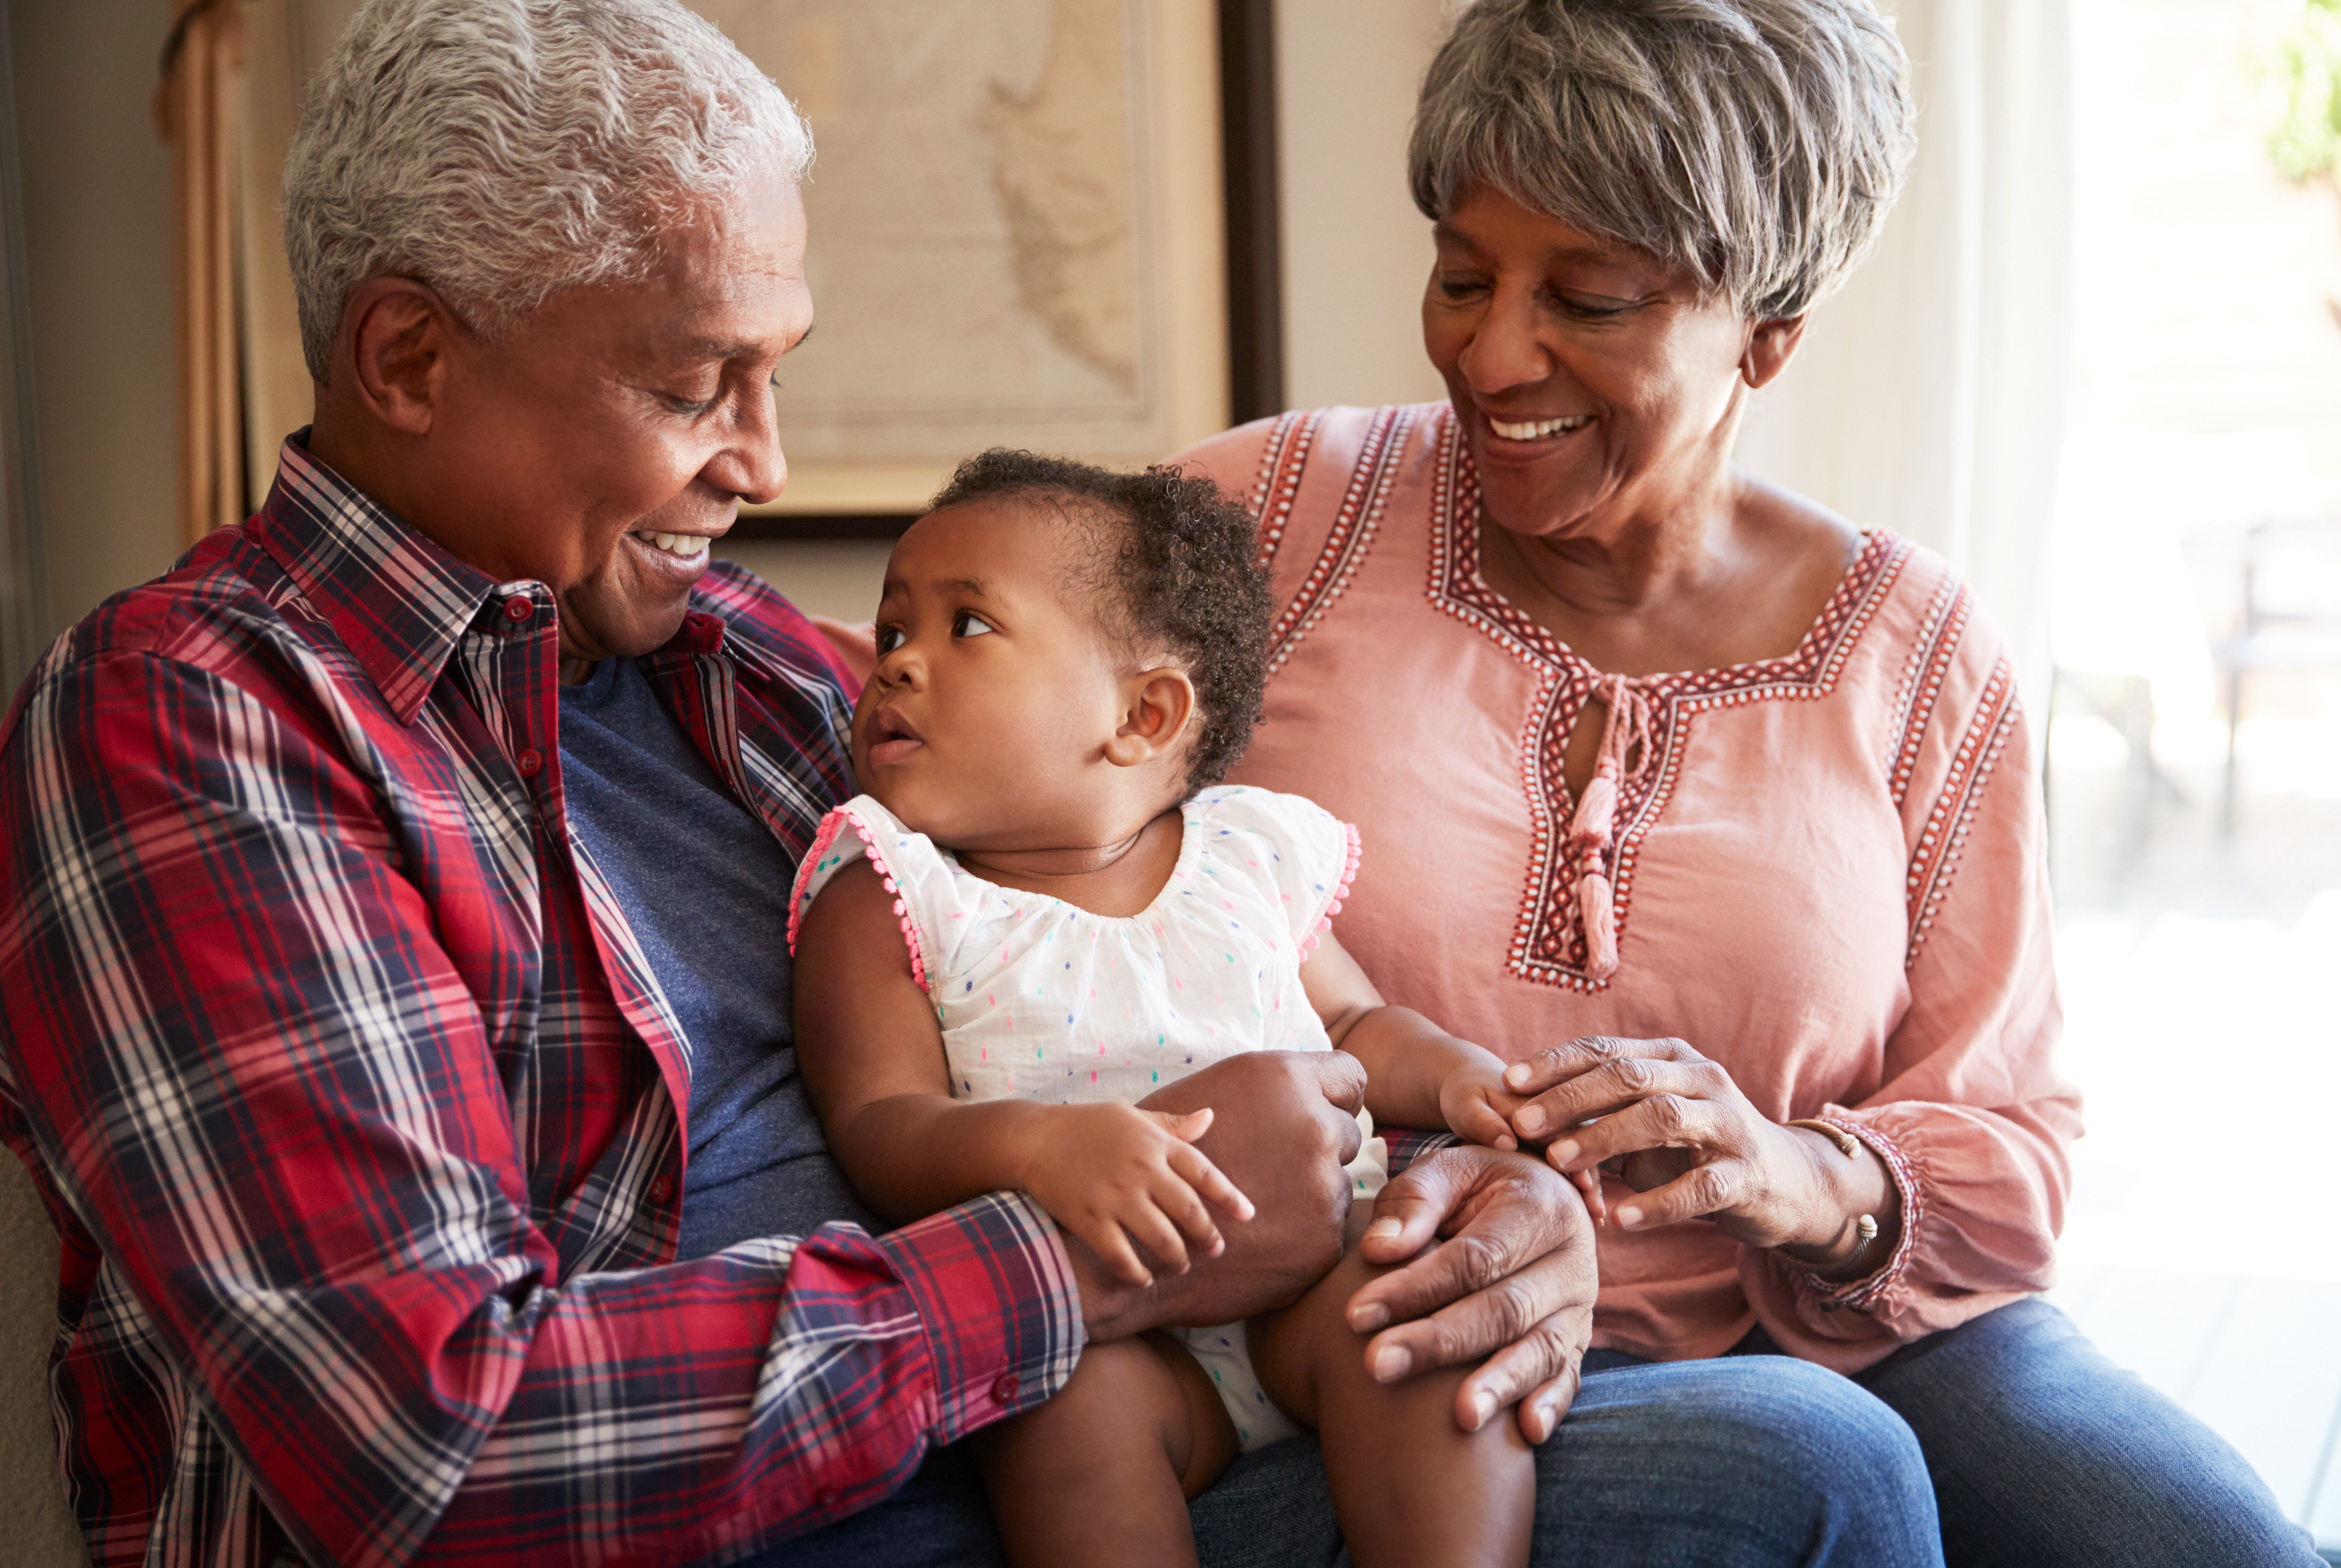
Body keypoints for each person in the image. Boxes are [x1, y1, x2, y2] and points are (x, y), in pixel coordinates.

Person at [0, 3, 1609, 1565]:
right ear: (409, 357)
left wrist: (1456, 1212)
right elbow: (436, 1446)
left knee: (1782, 1441)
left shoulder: (757, 665)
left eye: (774, 375)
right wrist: (1097, 1254)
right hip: (822, 1495)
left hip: (1071, 1441)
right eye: (699, 383)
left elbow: (1160, 967)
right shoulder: (199, 718)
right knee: (1775, 1484)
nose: (763, 463)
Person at [1165, 0, 2326, 1564]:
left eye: (1588, 297)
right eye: (1461, 275)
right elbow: (953, 719)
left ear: (1768, 327)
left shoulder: (1911, 651)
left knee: (2214, 1546)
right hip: (1382, 1343)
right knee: (1817, 1464)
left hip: (1855, 1321)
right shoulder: (1271, 521)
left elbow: (2006, 1136)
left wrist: (1798, 1172)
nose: (1491, 351)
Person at [791, 451, 1605, 1568]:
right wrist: (1039, 1144)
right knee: (1062, 1409)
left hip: (1314, 1286)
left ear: (1142, 712)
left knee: (1419, 1315)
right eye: (891, 634)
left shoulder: (1247, 856)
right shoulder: (892, 888)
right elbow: (881, 1122)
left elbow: (1362, 1029)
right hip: (1115, 1334)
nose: (900, 668)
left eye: (966, 628)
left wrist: (1462, 1076)